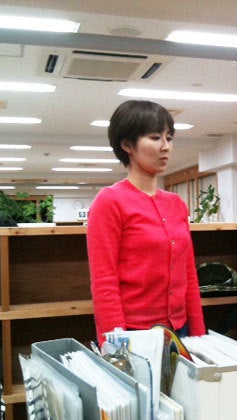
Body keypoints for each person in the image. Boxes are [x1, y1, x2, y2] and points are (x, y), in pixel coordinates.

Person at [87, 100, 206, 344]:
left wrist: (199, 335)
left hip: (180, 329)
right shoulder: (110, 201)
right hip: (134, 333)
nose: (166, 147)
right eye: (155, 137)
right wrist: (116, 345)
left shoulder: (176, 204)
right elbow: (104, 282)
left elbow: (188, 275)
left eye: (169, 138)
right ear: (127, 145)